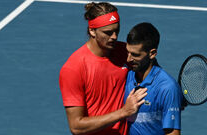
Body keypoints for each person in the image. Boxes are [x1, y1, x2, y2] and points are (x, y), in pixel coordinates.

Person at [59, 2, 147, 135]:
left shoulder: (126, 52)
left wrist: (169, 96)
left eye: (117, 30)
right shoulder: (73, 68)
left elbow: (153, 74)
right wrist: (124, 111)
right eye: (108, 33)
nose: (114, 37)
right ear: (92, 31)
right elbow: (76, 127)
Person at [124, 22, 183, 135]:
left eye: (135, 55)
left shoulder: (167, 88)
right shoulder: (126, 74)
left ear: (152, 53)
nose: (128, 59)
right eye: (128, 52)